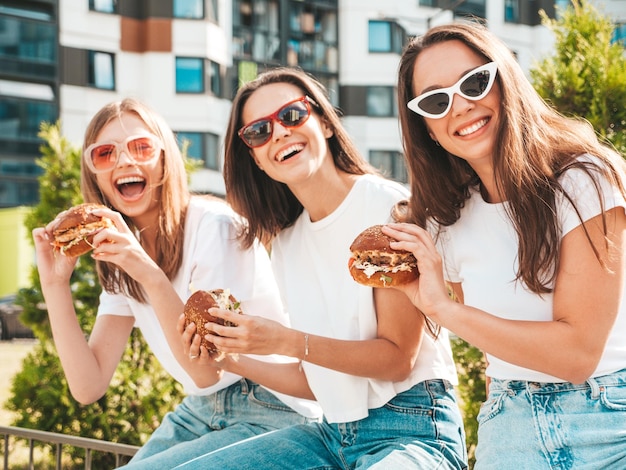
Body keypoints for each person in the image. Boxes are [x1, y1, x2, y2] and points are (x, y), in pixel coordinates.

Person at [173, 67, 467, 469]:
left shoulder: (389, 210)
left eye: (291, 115)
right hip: (331, 436)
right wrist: (228, 359)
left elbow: (397, 359)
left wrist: (283, 340)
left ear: (325, 123)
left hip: (411, 431)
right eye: (258, 132)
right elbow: (316, 380)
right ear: (255, 159)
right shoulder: (287, 243)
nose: (278, 133)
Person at [31, 98, 322, 469]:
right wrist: (55, 285)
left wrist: (149, 273)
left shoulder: (213, 227)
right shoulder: (120, 254)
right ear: (97, 178)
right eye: (105, 154)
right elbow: (88, 386)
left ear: (165, 160)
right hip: (201, 408)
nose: (124, 161)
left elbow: (209, 369)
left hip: (273, 405)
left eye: (141, 147)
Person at [387, 22, 626, 469]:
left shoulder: (583, 180)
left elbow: (577, 355)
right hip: (509, 421)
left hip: (611, 420)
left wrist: (446, 310)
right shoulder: (446, 220)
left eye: (475, 82)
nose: (460, 107)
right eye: (437, 101)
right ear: (427, 128)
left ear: (505, 81)